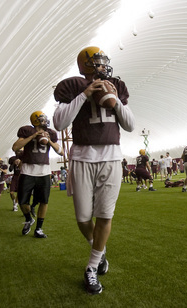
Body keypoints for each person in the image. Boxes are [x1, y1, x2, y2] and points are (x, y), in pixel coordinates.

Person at [52, 46, 135, 295]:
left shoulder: (116, 85)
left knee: (105, 215)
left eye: (103, 61)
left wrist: (116, 100)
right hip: (82, 156)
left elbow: (130, 125)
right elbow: (59, 123)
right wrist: (85, 94)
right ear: (85, 65)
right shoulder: (73, 87)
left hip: (111, 156)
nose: (102, 65)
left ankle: (91, 266)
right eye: (96, 61)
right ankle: (99, 250)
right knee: (83, 218)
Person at [12, 110, 62, 238]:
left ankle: (39, 229)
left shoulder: (50, 133)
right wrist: (34, 136)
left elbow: (61, 152)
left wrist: (49, 140)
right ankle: (29, 218)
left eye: (44, 118)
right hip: (28, 170)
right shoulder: (27, 131)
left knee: (44, 201)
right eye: (41, 119)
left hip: (44, 171)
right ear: (35, 121)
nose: (44, 121)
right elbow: (15, 147)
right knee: (23, 201)